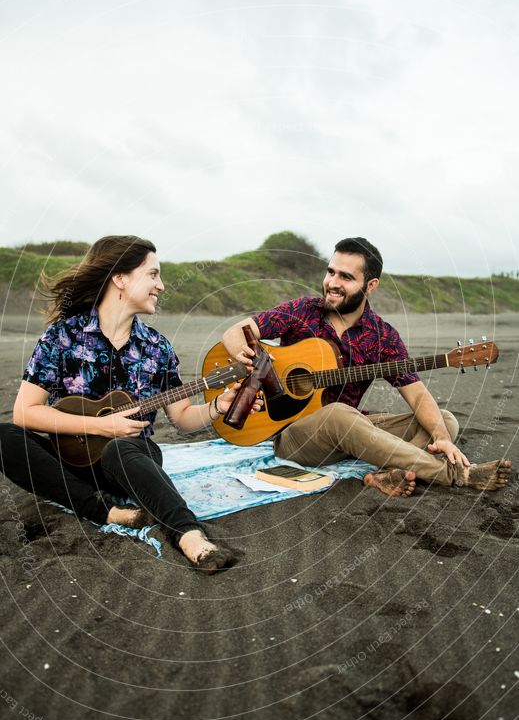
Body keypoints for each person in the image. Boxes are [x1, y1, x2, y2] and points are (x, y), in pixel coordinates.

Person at [0, 235, 257, 574]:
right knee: (5, 436)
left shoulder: (157, 348)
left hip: (130, 462)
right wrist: (101, 425)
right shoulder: (63, 337)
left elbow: (181, 418)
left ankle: (190, 536)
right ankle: (104, 511)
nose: (161, 286)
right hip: (71, 460)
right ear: (120, 278)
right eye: (152, 274)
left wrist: (216, 408)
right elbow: (25, 412)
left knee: (121, 449)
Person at [222, 237, 512, 496]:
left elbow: (418, 395)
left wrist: (442, 440)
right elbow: (236, 331)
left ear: (370, 285)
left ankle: (382, 476)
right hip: (295, 437)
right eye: (331, 271)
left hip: (351, 434)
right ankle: (455, 474)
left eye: (346, 277)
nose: (332, 282)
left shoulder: (382, 336)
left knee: (444, 421)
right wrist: (244, 354)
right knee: (338, 414)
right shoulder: (301, 311)